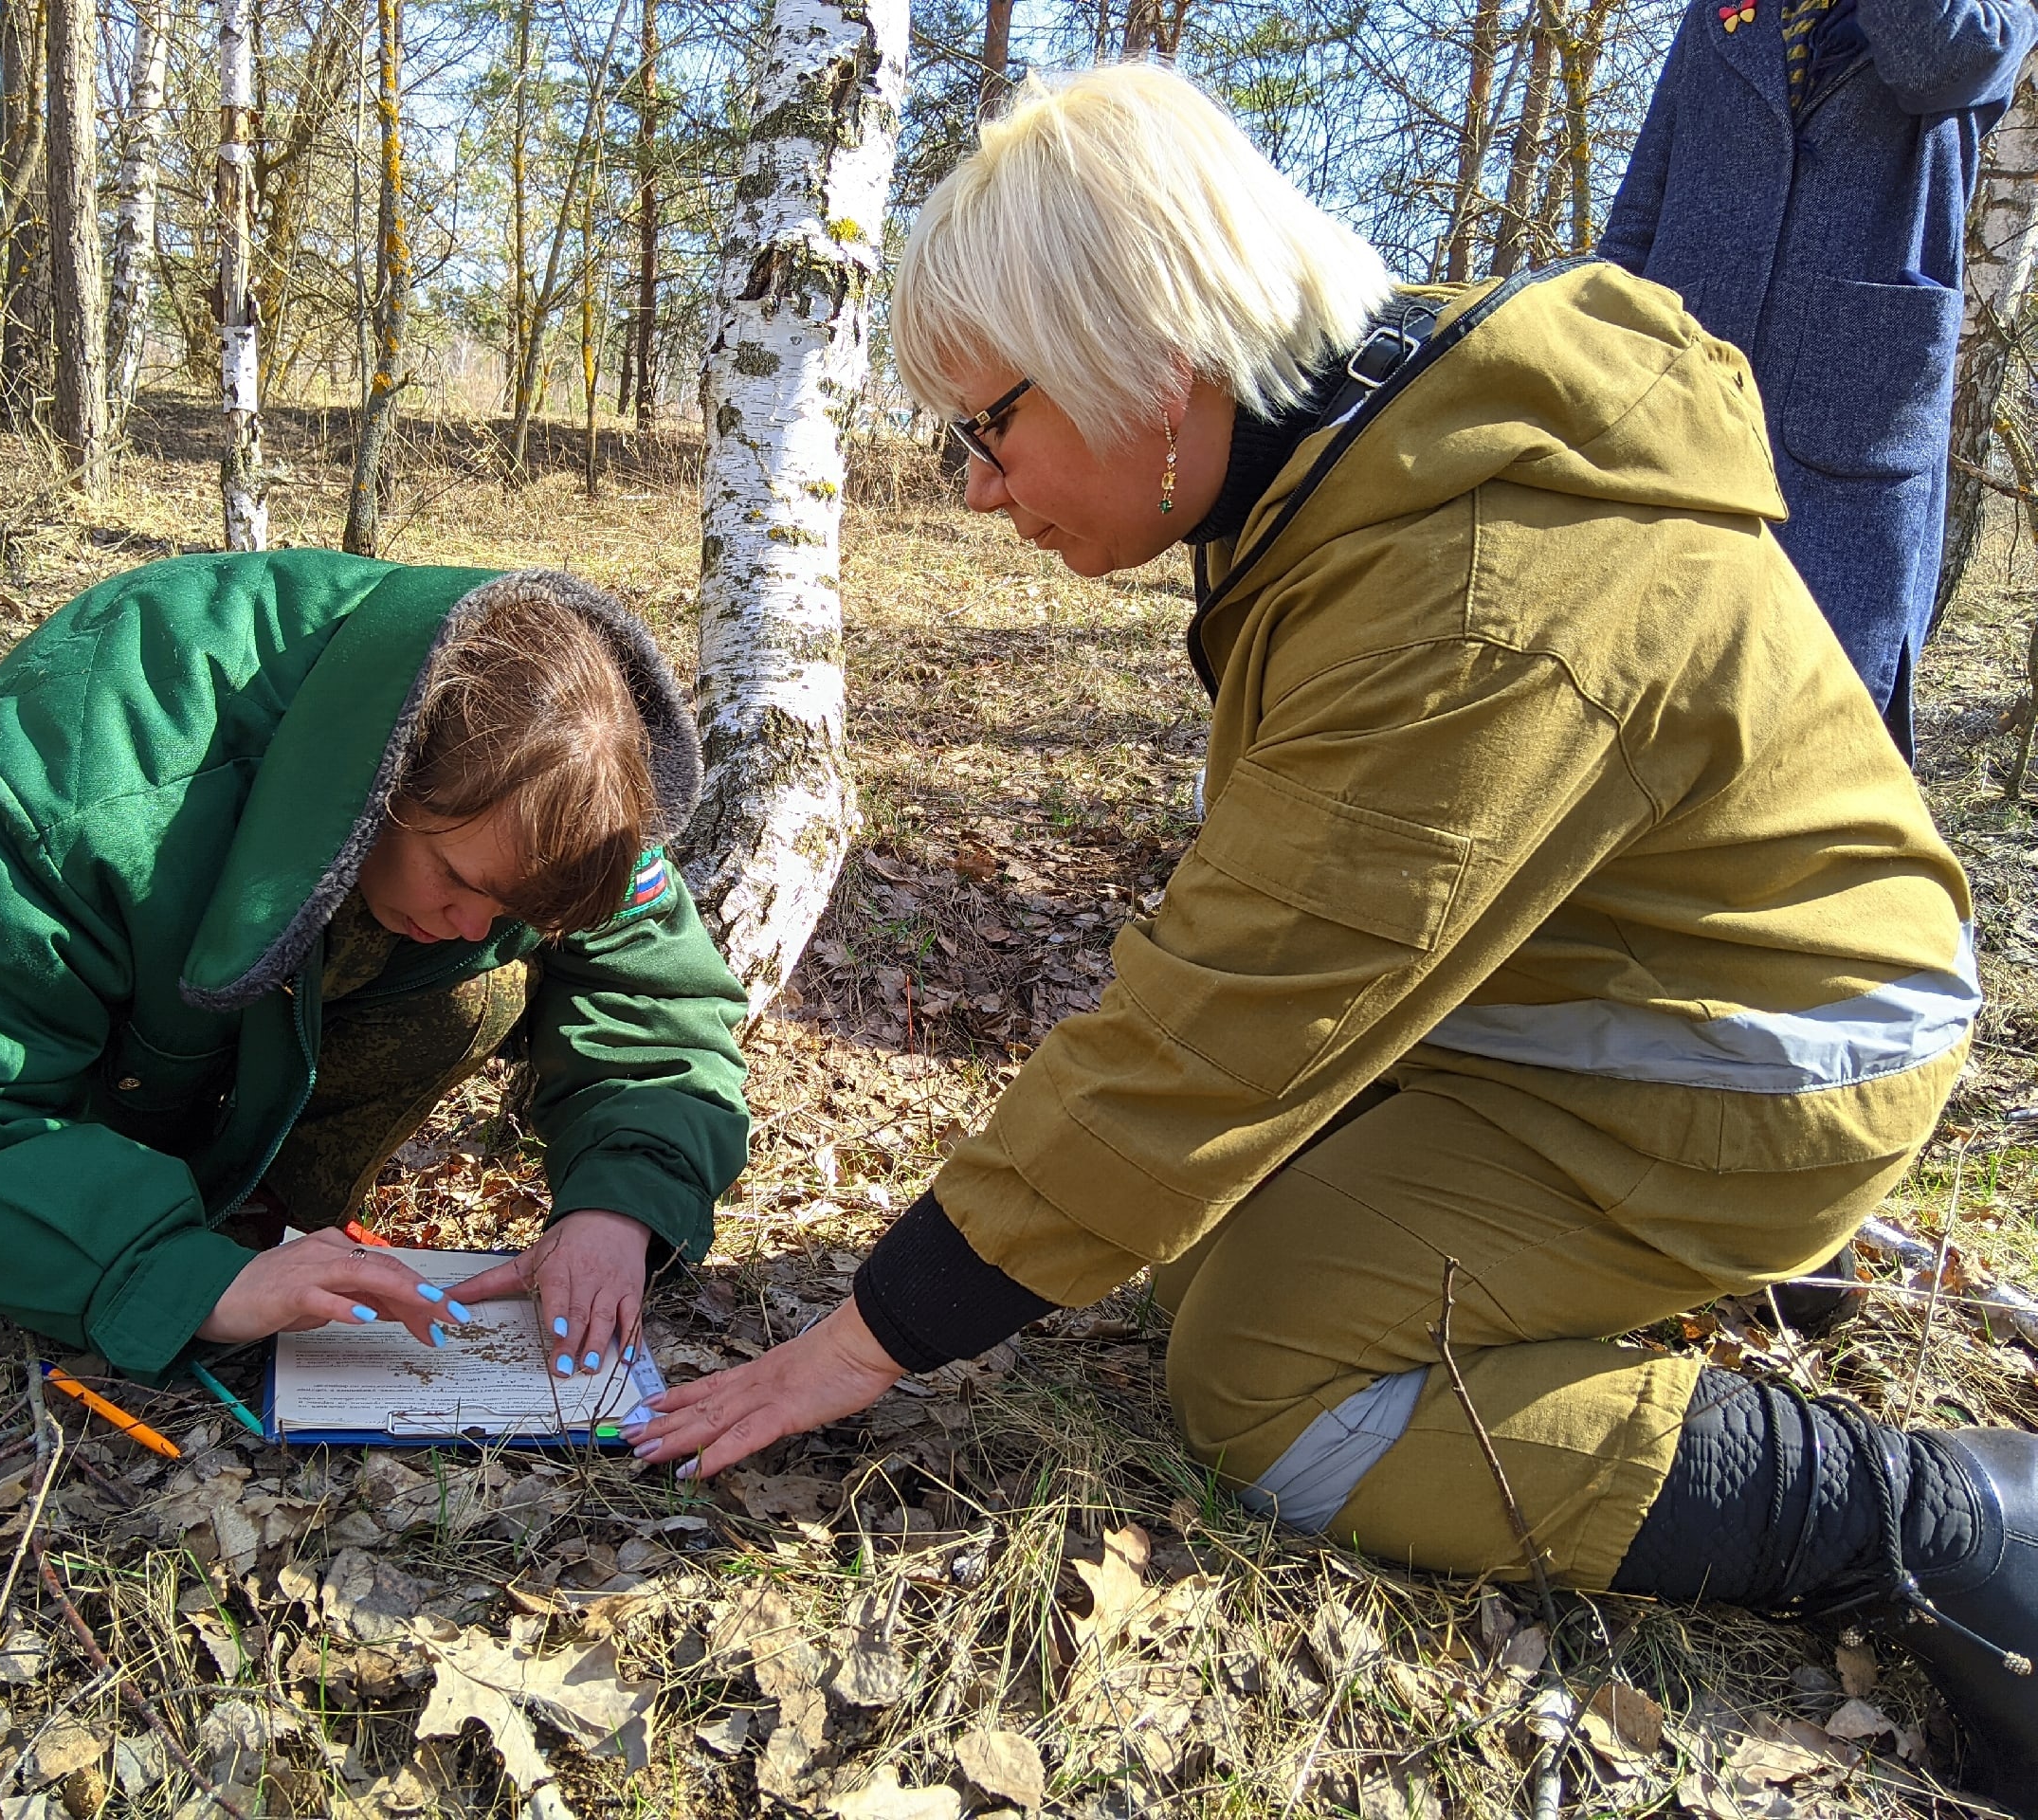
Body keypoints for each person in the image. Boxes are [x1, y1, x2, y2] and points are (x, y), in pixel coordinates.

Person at [623, 65, 2038, 1799]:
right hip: (1576, 996)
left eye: (988, 426)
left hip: (1748, 1053)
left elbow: (1238, 1016)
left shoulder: (1475, 588)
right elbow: (1294, 946)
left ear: (1155, 363)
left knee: (1266, 1384)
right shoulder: (1361, 440)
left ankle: (1931, 1519)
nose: (979, 489)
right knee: (1196, 1259)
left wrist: (874, 1334)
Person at [0, 555, 750, 1384]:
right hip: (66, 1093)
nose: (475, 924)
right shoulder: (79, 777)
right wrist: (183, 1278)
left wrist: (619, 1204)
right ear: (384, 785)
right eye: (461, 881)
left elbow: (657, 1000)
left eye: (511, 907)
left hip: (251, 1041)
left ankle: (265, 1205)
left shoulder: (563, 783)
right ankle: (157, 1221)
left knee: (478, 980)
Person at [1597, 0, 2036, 756]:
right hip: (1681, 394)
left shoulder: (1995, 14)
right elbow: (1647, 190)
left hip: (1855, 421)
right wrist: (1593, 342)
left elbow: (1935, 58)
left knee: (1819, 730)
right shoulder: (1724, 9)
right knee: (1645, 705)